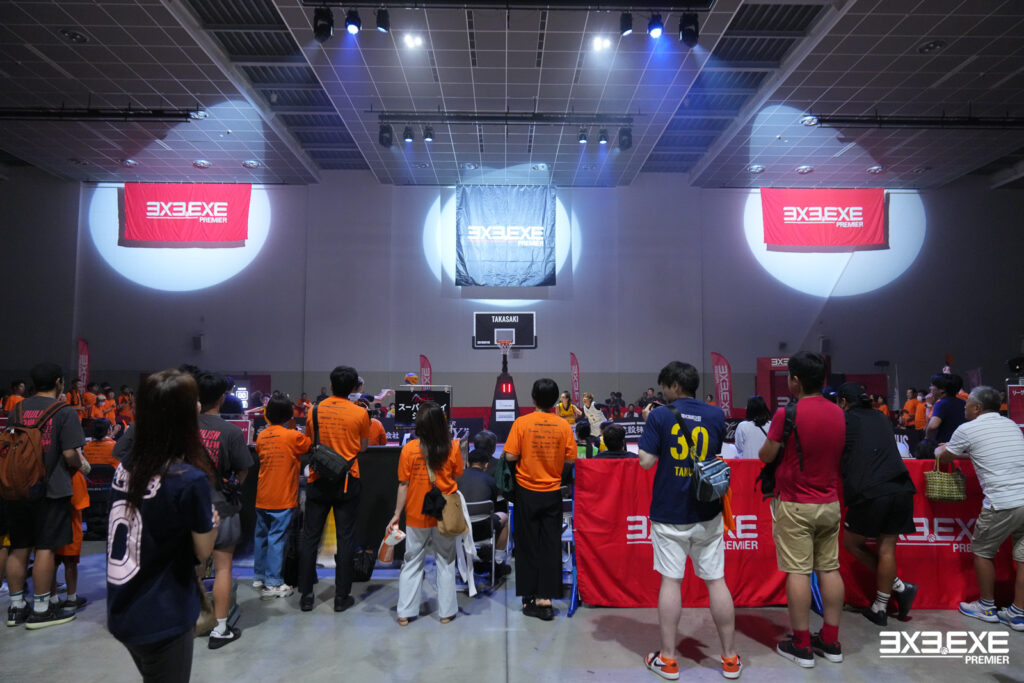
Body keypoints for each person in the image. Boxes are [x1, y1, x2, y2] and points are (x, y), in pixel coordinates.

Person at [106, 369, 218, 682]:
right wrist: (211, 521)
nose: (199, 406)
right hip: (162, 614)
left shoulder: (127, 465)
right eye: (194, 402)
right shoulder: (187, 479)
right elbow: (203, 552)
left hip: (123, 606)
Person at [637, 361, 740, 680]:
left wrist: (650, 424)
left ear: (675, 385)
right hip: (707, 509)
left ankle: (668, 660)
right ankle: (730, 659)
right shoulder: (716, 415)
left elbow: (645, 462)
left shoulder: (659, 416)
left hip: (670, 512)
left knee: (671, 582)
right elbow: (711, 453)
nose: (663, 392)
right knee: (716, 581)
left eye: (665, 386)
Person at [759, 351, 846, 668]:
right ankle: (831, 642)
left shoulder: (788, 414)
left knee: (798, 572)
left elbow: (766, 455)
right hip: (830, 504)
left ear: (795, 380)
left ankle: (802, 645)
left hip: (796, 504)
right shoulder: (839, 413)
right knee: (829, 569)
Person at [936, 386, 1024, 630]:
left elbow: (943, 457)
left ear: (977, 408)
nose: (964, 407)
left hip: (1002, 502)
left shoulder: (968, 428)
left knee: (983, 551)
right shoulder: (1011, 425)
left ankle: (986, 606)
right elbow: (987, 453)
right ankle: (1018, 613)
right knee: (1023, 557)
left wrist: (939, 449)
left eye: (967, 404)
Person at [4, 363, 85, 629]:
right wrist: (80, 465)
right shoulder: (64, 411)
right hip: (51, 489)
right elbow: (70, 454)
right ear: (59, 382)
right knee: (45, 547)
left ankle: (16, 607)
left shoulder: (16, 410)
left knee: (19, 547)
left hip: (17, 488)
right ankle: (42, 609)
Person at [835, 383, 918, 626]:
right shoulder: (881, 418)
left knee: (852, 543)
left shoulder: (845, 421)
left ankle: (897, 588)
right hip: (901, 487)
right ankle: (881, 606)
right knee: (886, 549)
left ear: (843, 402)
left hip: (871, 491)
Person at [502, 379, 575, 620]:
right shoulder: (563, 426)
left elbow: (510, 456)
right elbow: (570, 459)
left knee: (527, 545)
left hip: (526, 492)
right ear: (555, 400)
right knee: (550, 544)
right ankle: (547, 598)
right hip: (552, 492)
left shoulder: (522, 423)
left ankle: (530, 598)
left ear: (533, 398)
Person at [298, 365, 369, 613]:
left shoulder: (314, 410)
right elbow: (363, 447)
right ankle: (341, 597)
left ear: (330, 386)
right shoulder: (360, 413)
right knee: (345, 538)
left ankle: (306, 596)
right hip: (348, 479)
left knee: (310, 537)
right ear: (353, 388)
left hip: (318, 479)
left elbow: (310, 442)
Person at [387, 402, 464, 625]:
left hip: (416, 514)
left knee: (411, 562)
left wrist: (396, 514)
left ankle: (404, 613)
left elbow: (403, 484)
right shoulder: (453, 448)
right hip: (444, 514)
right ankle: (446, 612)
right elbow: (458, 473)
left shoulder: (409, 449)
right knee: (446, 561)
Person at [196, 371, 254, 649]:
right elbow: (243, 470)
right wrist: (231, 485)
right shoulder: (230, 432)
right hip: (222, 505)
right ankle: (220, 629)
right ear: (222, 398)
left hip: (186, 506)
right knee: (222, 568)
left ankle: (192, 620)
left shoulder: (181, 429)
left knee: (190, 567)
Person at [253, 396, 311, 600]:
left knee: (261, 537)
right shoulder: (293, 436)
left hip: (262, 495)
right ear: (289, 415)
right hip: (283, 497)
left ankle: (259, 577)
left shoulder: (262, 436)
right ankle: (273, 583)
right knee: (277, 538)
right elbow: (308, 444)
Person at [459, 430, 510, 576]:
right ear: (493, 448)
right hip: (486, 522)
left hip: (461, 525)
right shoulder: (499, 467)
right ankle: (498, 561)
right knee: (504, 514)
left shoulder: (461, 471)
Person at [54, 458, 91, 613]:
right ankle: (71, 598)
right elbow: (79, 503)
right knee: (70, 561)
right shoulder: (75, 473)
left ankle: (52, 599)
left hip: (50, 518)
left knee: (51, 559)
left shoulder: (47, 467)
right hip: (71, 520)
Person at [925, 373, 966, 447]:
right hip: (961, 445)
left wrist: (927, 439)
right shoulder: (963, 402)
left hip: (944, 446)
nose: (930, 388)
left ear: (942, 389)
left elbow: (932, 426)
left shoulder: (941, 403)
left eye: (932, 385)